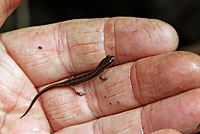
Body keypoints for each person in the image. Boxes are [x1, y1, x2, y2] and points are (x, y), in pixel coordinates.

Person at [0, 1, 199, 134]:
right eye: (109, 61)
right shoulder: (100, 71)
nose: (110, 62)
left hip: (75, 82)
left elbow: (97, 74)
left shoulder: (99, 68)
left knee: (67, 84)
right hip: (73, 83)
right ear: (106, 64)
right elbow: (99, 76)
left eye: (109, 61)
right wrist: (79, 88)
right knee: (67, 84)